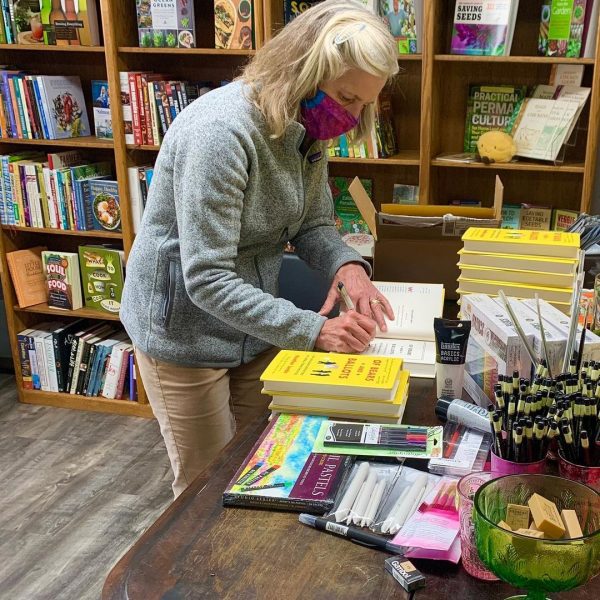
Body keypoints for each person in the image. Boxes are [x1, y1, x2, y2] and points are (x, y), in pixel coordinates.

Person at [120, 0, 399, 498]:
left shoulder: (304, 126)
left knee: (266, 461)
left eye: (363, 104)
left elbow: (312, 223)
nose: (352, 117)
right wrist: (313, 330)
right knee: (205, 485)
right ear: (304, 71)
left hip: (254, 325)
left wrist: (348, 267)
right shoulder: (221, 134)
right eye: (346, 98)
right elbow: (206, 278)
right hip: (185, 333)